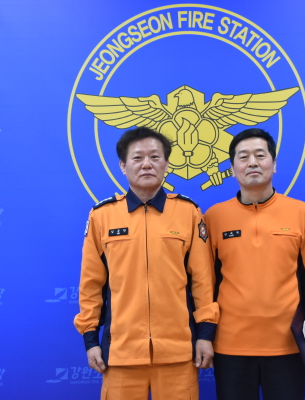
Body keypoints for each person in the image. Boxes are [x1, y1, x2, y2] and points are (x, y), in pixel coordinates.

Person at [74, 126, 219, 400]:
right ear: (123, 166)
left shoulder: (188, 212)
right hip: (121, 354)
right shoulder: (102, 216)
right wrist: (90, 339)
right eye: (137, 158)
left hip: (178, 353)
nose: (147, 164)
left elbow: (203, 281)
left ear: (166, 163)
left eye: (154, 157)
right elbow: (91, 284)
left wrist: (205, 334)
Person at [204, 128, 305, 400]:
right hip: (230, 346)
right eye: (243, 157)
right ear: (232, 168)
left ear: (274, 164)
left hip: (288, 346)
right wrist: (204, 334)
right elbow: (205, 284)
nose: (252, 162)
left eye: (260, 155)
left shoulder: (302, 213)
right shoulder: (214, 217)